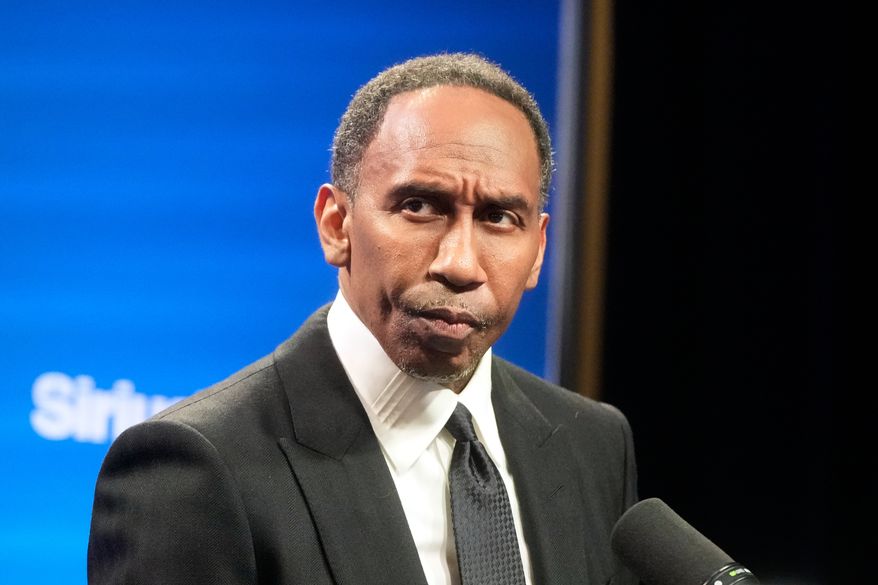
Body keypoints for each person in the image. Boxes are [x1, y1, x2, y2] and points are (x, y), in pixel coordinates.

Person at [87, 53, 639, 585]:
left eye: (498, 217)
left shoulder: (592, 444)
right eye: (420, 206)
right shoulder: (194, 469)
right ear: (336, 224)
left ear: (538, 249)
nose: (460, 264)